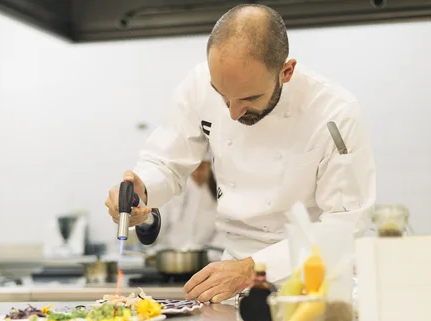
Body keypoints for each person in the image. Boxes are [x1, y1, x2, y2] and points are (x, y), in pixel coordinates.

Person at [105, 4, 376, 303]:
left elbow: (345, 225)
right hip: (231, 281)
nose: (233, 113)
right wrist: (142, 188)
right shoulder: (198, 84)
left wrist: (252, 269)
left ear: (286, 71)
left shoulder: (336, 113)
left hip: (311, 281)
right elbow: (165, 162)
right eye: (222, 95)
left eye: (249, 98)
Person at [154, 160, 224, 257]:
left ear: (209, 166)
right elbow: (159, 227)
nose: (197, 173)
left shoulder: (217, 195)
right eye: (194, 168)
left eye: (201, 167)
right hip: (169, 257)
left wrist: (208, 257)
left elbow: (221, 234)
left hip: (202, 260)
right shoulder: (175, 189)